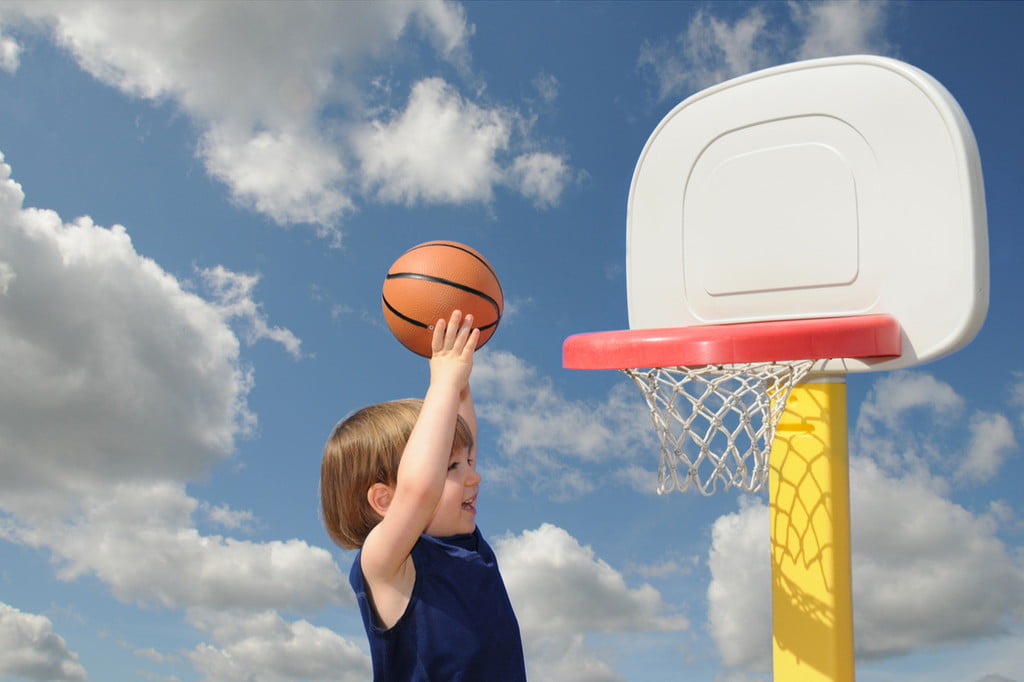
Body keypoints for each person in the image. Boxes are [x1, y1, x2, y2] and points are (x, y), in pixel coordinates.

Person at [321, 310, 527, 681]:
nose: (474, 476)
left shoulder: (467, 547)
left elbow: (462, 436)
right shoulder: (388, 565)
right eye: (451, 468)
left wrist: (459, 376)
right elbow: (421, 489)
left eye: (468, 462)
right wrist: (443, 384)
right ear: (385, 501)